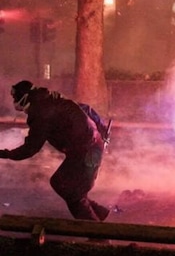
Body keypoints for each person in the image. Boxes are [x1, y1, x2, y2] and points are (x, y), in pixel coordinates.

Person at [0, 80, 110, 221]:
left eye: (15, 98)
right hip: (87, 148)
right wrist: (102, 131)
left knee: (70, 190)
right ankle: (100, 214)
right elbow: (86, 108)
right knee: (62, 183)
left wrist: (4, 154)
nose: (14, 101)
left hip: (87, 151)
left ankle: (97, 235)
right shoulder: (51, 98)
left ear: (24, 97)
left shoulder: (40, 113)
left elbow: (31, 148)